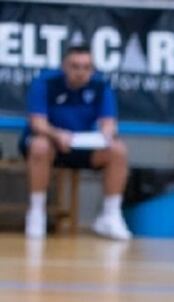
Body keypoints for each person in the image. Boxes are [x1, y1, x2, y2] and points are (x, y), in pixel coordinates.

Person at [22, 45, 132, 241]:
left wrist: (105, 134)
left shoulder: (101, 86)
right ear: (64, 66)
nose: (81, 72)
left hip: (83, 145)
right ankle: (37, 213)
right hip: (52, 144)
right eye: (75, 66)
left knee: (118, 150)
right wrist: (57, 135)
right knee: (39, 146)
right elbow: (38, 122)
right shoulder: (45, 82)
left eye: (86, 67)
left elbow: (109, 124)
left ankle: (110, 215)